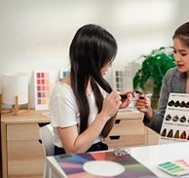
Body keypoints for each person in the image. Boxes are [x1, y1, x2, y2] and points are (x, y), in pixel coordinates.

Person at [50, 24, 133, 155]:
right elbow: (73, 150)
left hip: (95, 153)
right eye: (107, 60)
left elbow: (103, 134)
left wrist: (114, 108)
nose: (110, 65)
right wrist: (104, 113)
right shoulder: (63, 94)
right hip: (71, 161)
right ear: (92, 60)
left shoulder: (97, 85)